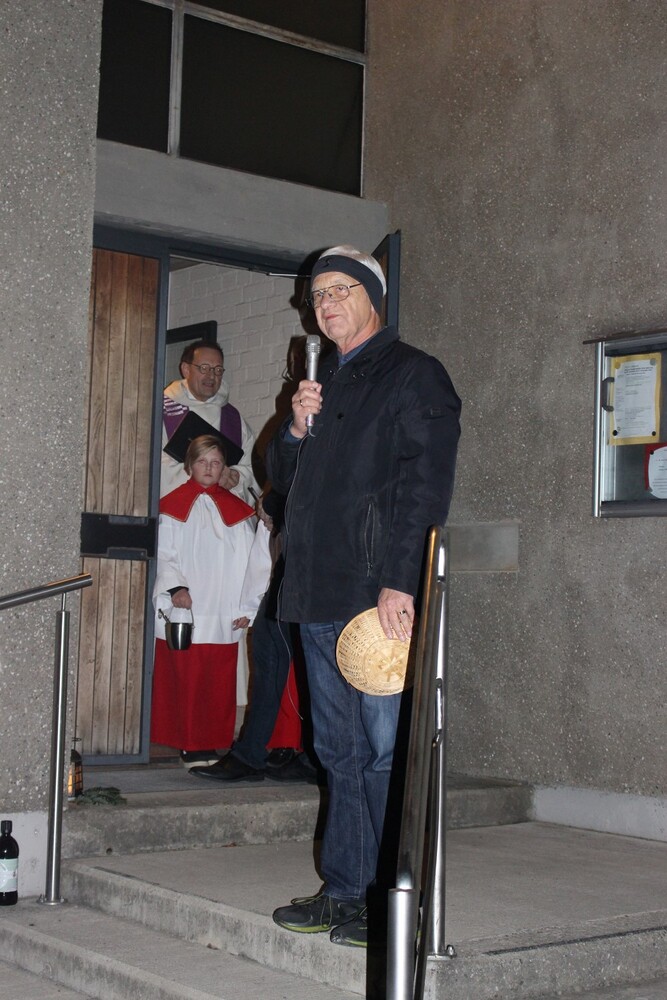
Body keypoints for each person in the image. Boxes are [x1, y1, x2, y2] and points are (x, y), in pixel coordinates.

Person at [267, 245, 461, 948]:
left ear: (373, 298)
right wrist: (295, 430)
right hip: (316, 593)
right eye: (317, 295)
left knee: (384, 753)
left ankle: (393, 901)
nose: (325, 305)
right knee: (338, 751)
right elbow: (281, 479)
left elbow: (425, 488)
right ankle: (345, 889)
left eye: (340, 290)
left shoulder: (413, 374)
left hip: (377, 598)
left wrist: (401, 580)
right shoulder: (323, 382)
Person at [190, 489, 317, 784]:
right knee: (267, 668)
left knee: (315, 677)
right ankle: (250, 755)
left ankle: (315, 759)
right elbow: (263, 557)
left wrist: (275, 508)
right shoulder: (274, 513)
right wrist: (251, 604)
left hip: (315, 587)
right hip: (282, 588)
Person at [151, 435, 257, 769]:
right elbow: (165, 553)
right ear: (189, 466)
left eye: (216, 463)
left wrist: (248, 606)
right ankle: (190, 743)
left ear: (224, 468)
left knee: (218, 678)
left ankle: (213, 741)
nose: (209, 468)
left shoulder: (239, 512)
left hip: (224, 607)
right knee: (188, 677)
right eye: (202, 462)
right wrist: (176, 588)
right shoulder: (172, 507)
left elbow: (253, 564)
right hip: (189, 605)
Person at [161, 339, 258, 502]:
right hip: (178, 509)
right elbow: (155, 467)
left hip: (221, 511)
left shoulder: (233, 418)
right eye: (204, 368)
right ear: (186, 369)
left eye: (218, 370)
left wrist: (235, 476)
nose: (211, 376)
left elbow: (253, 468)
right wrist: (208, 475)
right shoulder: (164, 411)